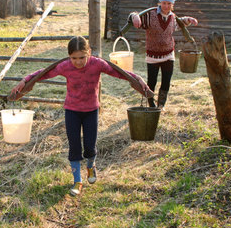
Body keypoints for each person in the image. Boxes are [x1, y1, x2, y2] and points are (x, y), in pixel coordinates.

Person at [9, 36, 152, 196]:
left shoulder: (97, 64)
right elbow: (43, 73)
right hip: (72, 111)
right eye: (74, 58)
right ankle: (77, 181)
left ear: (89, 53)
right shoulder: (65, 66)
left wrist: (138, 81)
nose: (78, 62)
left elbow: (119, 72)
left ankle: (91, 167)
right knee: (74, 146)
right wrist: (24, 81)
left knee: (90, 146)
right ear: (69, 56)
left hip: (91, 111)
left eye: (82, 57)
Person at [127, 0, 198, 109]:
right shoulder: (150, 15)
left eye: (169, 4)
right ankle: (151, 104)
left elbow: (179, 23)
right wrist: (134, 16)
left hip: (169, 55)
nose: (166, 6)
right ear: (160, 3)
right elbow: (133, 17)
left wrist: (189, 19)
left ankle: (161, 105)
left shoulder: (172, 17)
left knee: (166, 81)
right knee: (152, 82)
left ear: (172, 5)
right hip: (153, 56)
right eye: (164, 3)